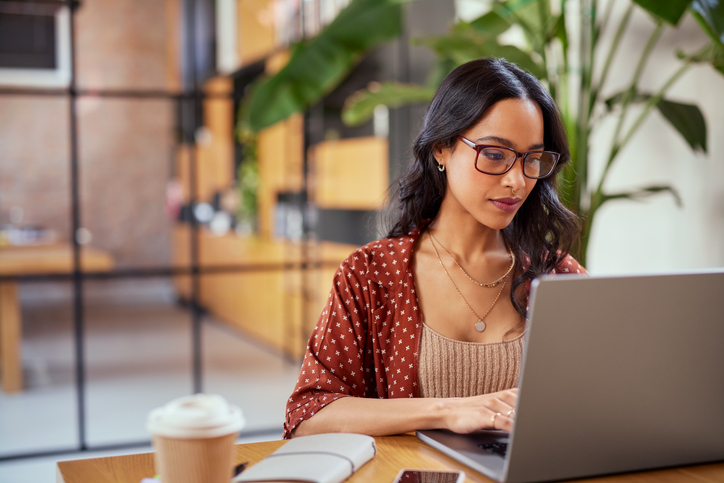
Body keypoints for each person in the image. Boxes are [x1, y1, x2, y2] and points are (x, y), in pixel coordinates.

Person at [283, 57, 585, 439]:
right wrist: (447, 411)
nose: (517, 181)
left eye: (532, 160)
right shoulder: (372, 275)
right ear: (442, 147)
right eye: (495, 154)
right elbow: (308, 415)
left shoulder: (558, 275)